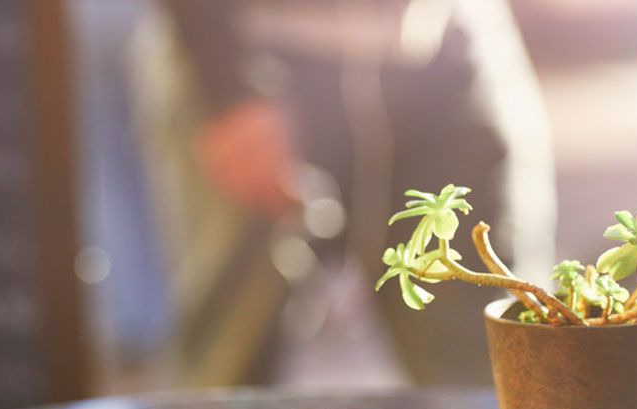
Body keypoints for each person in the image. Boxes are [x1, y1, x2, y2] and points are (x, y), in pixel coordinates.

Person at [139, 0, 557, 385]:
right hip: (256, 44)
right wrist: (228, 83)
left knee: (494, 364)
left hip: (449, 34)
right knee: (231, 364)